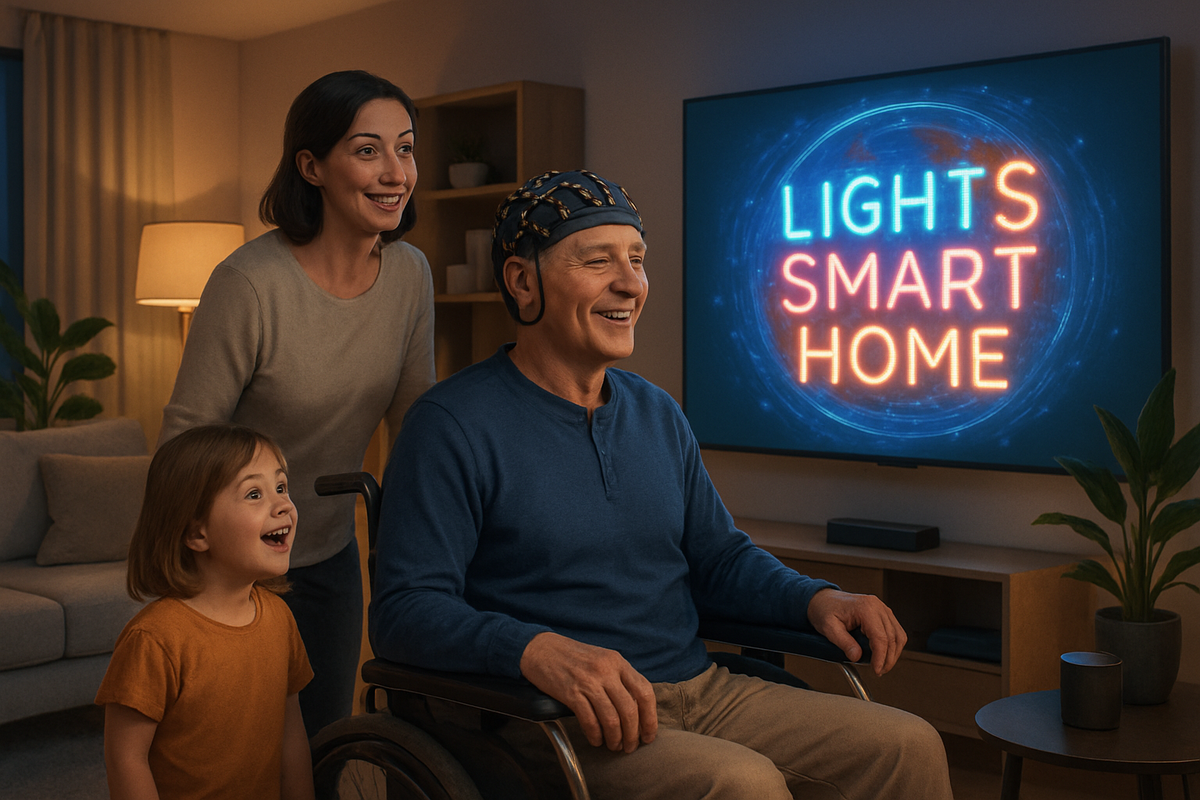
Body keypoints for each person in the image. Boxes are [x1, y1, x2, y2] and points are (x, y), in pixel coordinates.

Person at [369, 170, 954, 799]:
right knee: (742, 786)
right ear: (522, 281)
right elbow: (406, 610)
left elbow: (719, 559)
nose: (630, 283)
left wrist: (816, 600)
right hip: (549, 720)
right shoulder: (452, 424)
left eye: (638, 260)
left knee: (908, 745)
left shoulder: (656, 413)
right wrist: (532, 649)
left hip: (700, 690)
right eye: (598, 260)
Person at [158, 70, 436, 737]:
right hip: (232, 568)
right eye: (368, 150)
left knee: (318, 745)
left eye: (406, 147)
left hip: (328, 552)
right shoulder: (248, 283)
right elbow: (185, 440)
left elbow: (418, 423)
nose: (395, 171)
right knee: (228, 754)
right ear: (311, 166)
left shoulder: (410, 275)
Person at [97, 424, 314, 800]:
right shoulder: (154, 640)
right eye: (254, 494)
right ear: (197, 533)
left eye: (281, 487)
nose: (283, 504)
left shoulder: (280, 618)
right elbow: (125, 758)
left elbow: (290, 731)